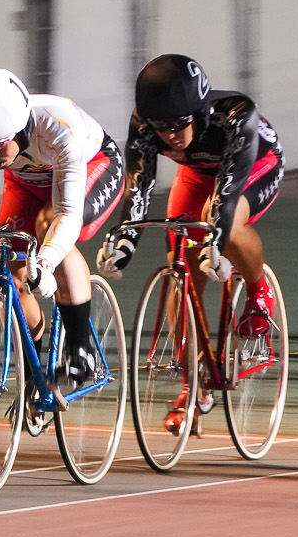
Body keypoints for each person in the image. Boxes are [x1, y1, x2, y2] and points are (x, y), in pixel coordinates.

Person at [101, 54, 284, 428]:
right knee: (181, 270)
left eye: (177, 125)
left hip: (251, 168)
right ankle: (192, 384)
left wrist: (216, 238)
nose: (168, 135)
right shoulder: (144, 123)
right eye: (160, 127)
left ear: (198, 111)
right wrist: (125, 243)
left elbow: (228, 193)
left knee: (222, 226)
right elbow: (138, 185)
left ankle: (257, 288)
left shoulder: (235, 114)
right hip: (197, 175)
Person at [0, 68, 124, 384]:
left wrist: (44, 263)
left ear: (18, 129)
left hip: (93, 165)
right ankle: (34, 377)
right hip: (26, 179)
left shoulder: (57, 126)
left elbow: (67, 213)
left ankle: (80, 348)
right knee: (11, 264)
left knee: (49, 226)